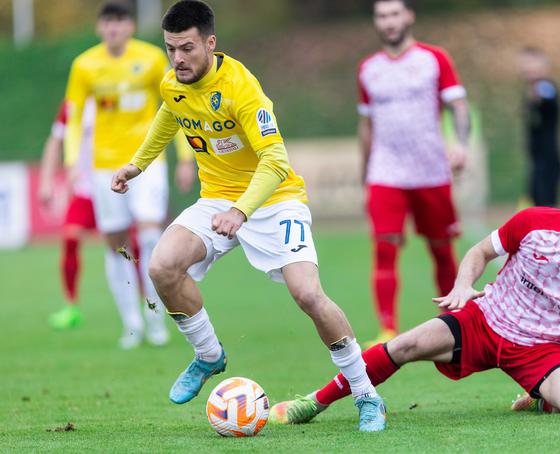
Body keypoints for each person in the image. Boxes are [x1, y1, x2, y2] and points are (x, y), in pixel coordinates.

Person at [110, 0, 386, 432]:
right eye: (170, 49)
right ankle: (208, 356)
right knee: (162, 267)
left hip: (275, 199)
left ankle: (367, 393)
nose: (178, 59)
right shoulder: (173, 83)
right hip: (218, 198)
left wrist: (242, 210)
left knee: (308, 296)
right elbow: (170, 114)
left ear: (210, 42)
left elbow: (275, 161)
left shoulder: (242, 88)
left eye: (186, 48)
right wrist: (138, 164)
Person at [270, 177, 560, 425]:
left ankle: (541, 396)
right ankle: (315, 401)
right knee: (404, 346)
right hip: (483, 321)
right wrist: (465, 286)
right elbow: (481, 252)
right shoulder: (535, 222)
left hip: (541, 350)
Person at [64, 2, 195, 349]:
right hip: (104, 166)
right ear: (99, 28)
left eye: (120, 23)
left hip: (146, 162)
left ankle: (156, 319)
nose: (113, 29)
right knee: (116, 244)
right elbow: (74, 118)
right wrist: (72, 159)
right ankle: (131, 323)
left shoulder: (152, 59)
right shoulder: (85, 66)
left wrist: (184, 157)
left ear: (131, 26)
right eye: (107, 24)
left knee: (151, 233)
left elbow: (176, 108)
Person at [358, 0, 471, 345]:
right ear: (376, 22)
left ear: (408, 16)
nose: (389, 22)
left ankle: (456, 322)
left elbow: (459, 107)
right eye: (382, 16)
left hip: (430, 171)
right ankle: (387, 329)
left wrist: (461, 144)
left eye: (394, 14)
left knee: (440, 248)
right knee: (384, 247)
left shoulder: (433, 59)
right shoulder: (369, 69)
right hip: (386, 172)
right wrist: (365, 175)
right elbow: (366, 124)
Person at [40, 100, 97, 329]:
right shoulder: (73, 104)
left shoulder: (119, 91)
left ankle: (148, 303)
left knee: (130, 246)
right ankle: (71, 306)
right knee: (70, 238)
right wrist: (46, 181)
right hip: (84, 190)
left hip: (116, 187)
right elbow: (55, 141)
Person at [519, 47, 560, 207]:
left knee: (546, 208)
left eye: (531, 63)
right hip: (538, 161)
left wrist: (538, 95)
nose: (526, 68)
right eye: (524, 63)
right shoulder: (530, 90)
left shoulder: (545, 87)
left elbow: (548, 96)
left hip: (548, 161)